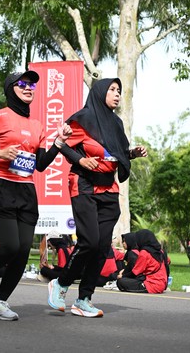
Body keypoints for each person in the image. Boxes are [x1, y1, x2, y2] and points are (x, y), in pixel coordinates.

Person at [0, 70, 72, 321]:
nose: (28, 87)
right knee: (10, 246)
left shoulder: (37, 125)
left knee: (22, 251)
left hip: (26, 190)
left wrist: (59, 142)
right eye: (23, 83)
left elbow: (40, 164)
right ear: (11, 88)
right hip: (0, 186)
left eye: (32, 85)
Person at [47, 77, 148, 318]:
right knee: (89, 242)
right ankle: (61, 283)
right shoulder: (83, 118)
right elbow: (61, 145)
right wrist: (80, 160)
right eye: (112, 89)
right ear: (100, 92)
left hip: (109, 189)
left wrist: (132, 153)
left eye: (119, 90)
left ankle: (84, 299)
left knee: (102, 248)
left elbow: (116, 154)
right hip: (84, 185)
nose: (117, 94)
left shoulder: (116, 123)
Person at [116, 229, 170, 293]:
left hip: (151, 285)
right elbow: (168, 262)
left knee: (120, 282)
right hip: (162, 284)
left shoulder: (144, 253)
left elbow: (135, 273)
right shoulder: (161, 251)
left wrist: (122, 276)